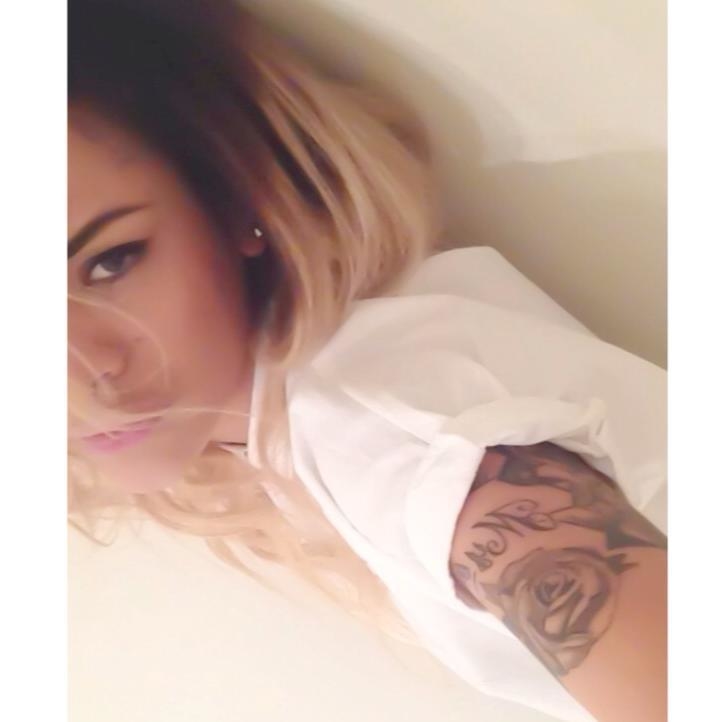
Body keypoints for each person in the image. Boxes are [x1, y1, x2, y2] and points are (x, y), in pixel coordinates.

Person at [68, 2, 667, 721]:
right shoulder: (297, 408)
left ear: (236, 196)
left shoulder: (387, 422)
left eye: (110, 262)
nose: (73, 376)